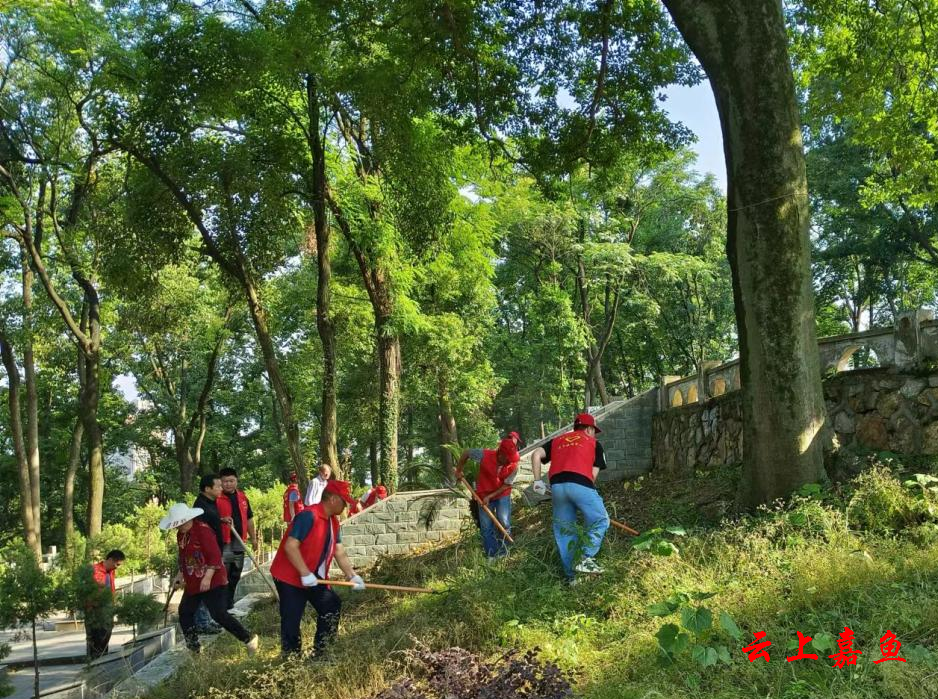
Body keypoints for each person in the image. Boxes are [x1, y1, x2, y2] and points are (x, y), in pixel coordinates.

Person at [270, 479, 365, 659]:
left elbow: (338, 549)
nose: (345, 507)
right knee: (291, 619)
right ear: (333, 499)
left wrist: (352, 575)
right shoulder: (308, 516)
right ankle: (290, 661)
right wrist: (305, 573)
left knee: (331, 605)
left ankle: (323, 651)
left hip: (313, 575)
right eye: (344, 502)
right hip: (289, 576)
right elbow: (290, 546)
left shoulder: (333, 521)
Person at [159, 502, 259, 655]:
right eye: (176, 524)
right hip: (193, 581)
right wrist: (180, 575)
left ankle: (249, 639)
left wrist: (207, 578)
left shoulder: (203, 530)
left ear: (188, 519)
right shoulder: (181, 535)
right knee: (185, 612)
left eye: (181, 523)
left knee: (219, 614)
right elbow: (184, 557)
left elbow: (214, 556)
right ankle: (194, 649)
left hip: (213, 580)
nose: (179, 526)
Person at [530, 412, 610, 583]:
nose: (594, 434)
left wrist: (537, 481)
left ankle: (572, 578)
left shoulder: (557, 441)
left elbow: (536, 454)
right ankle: (585, 557)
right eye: (594, 431)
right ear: (589, 429)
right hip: (580, 484)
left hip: (556, 487)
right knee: (601, 519)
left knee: (565, 531)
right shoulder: (595, 444)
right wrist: (580, 497)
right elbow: (592, 477)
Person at [454, 438, 520, 559]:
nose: (511, 461)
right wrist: (459, 470)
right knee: (486, 526)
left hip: (502, 493)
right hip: (483, 494)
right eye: (508, 458)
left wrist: (491, 496)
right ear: (501, 454)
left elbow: (507, 485)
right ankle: (492, 555)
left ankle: (504, 553)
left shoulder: (514, 465)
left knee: (504, 522)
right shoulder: (484, 455)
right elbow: (466, 453)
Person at [217, 467, 256, 610]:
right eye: (225, 481)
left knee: (236, 573)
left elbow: (249, 518)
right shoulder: (217, 498)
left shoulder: (242, 497)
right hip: (225, 541)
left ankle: (229, 603)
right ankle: (222, 606)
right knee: (225, 574)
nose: (228, 484)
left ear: (236, 481)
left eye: (231, 481)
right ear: (220, 482)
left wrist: (254, 538)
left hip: (240, 540)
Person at [191, 473, 224, 633]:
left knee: (210, 588)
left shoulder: (211, 502)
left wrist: (221, 520)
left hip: (214, 551)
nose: (221, 488)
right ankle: (202, 623)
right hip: (203, 556)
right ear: (207, 489)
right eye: (218, 486)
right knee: (203, 587)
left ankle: (208, 620)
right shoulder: (199, 507)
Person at [85, 549, 125, 659]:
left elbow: (110, 589)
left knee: (105, 637)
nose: (117, 567)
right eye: (117, 564)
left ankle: (103, 661)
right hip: (94, 610)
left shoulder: (111, 571)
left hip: (107, 610)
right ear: (111, 560)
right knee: (95, 640)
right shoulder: (93, 570)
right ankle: (94, 663)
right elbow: (89, 591)